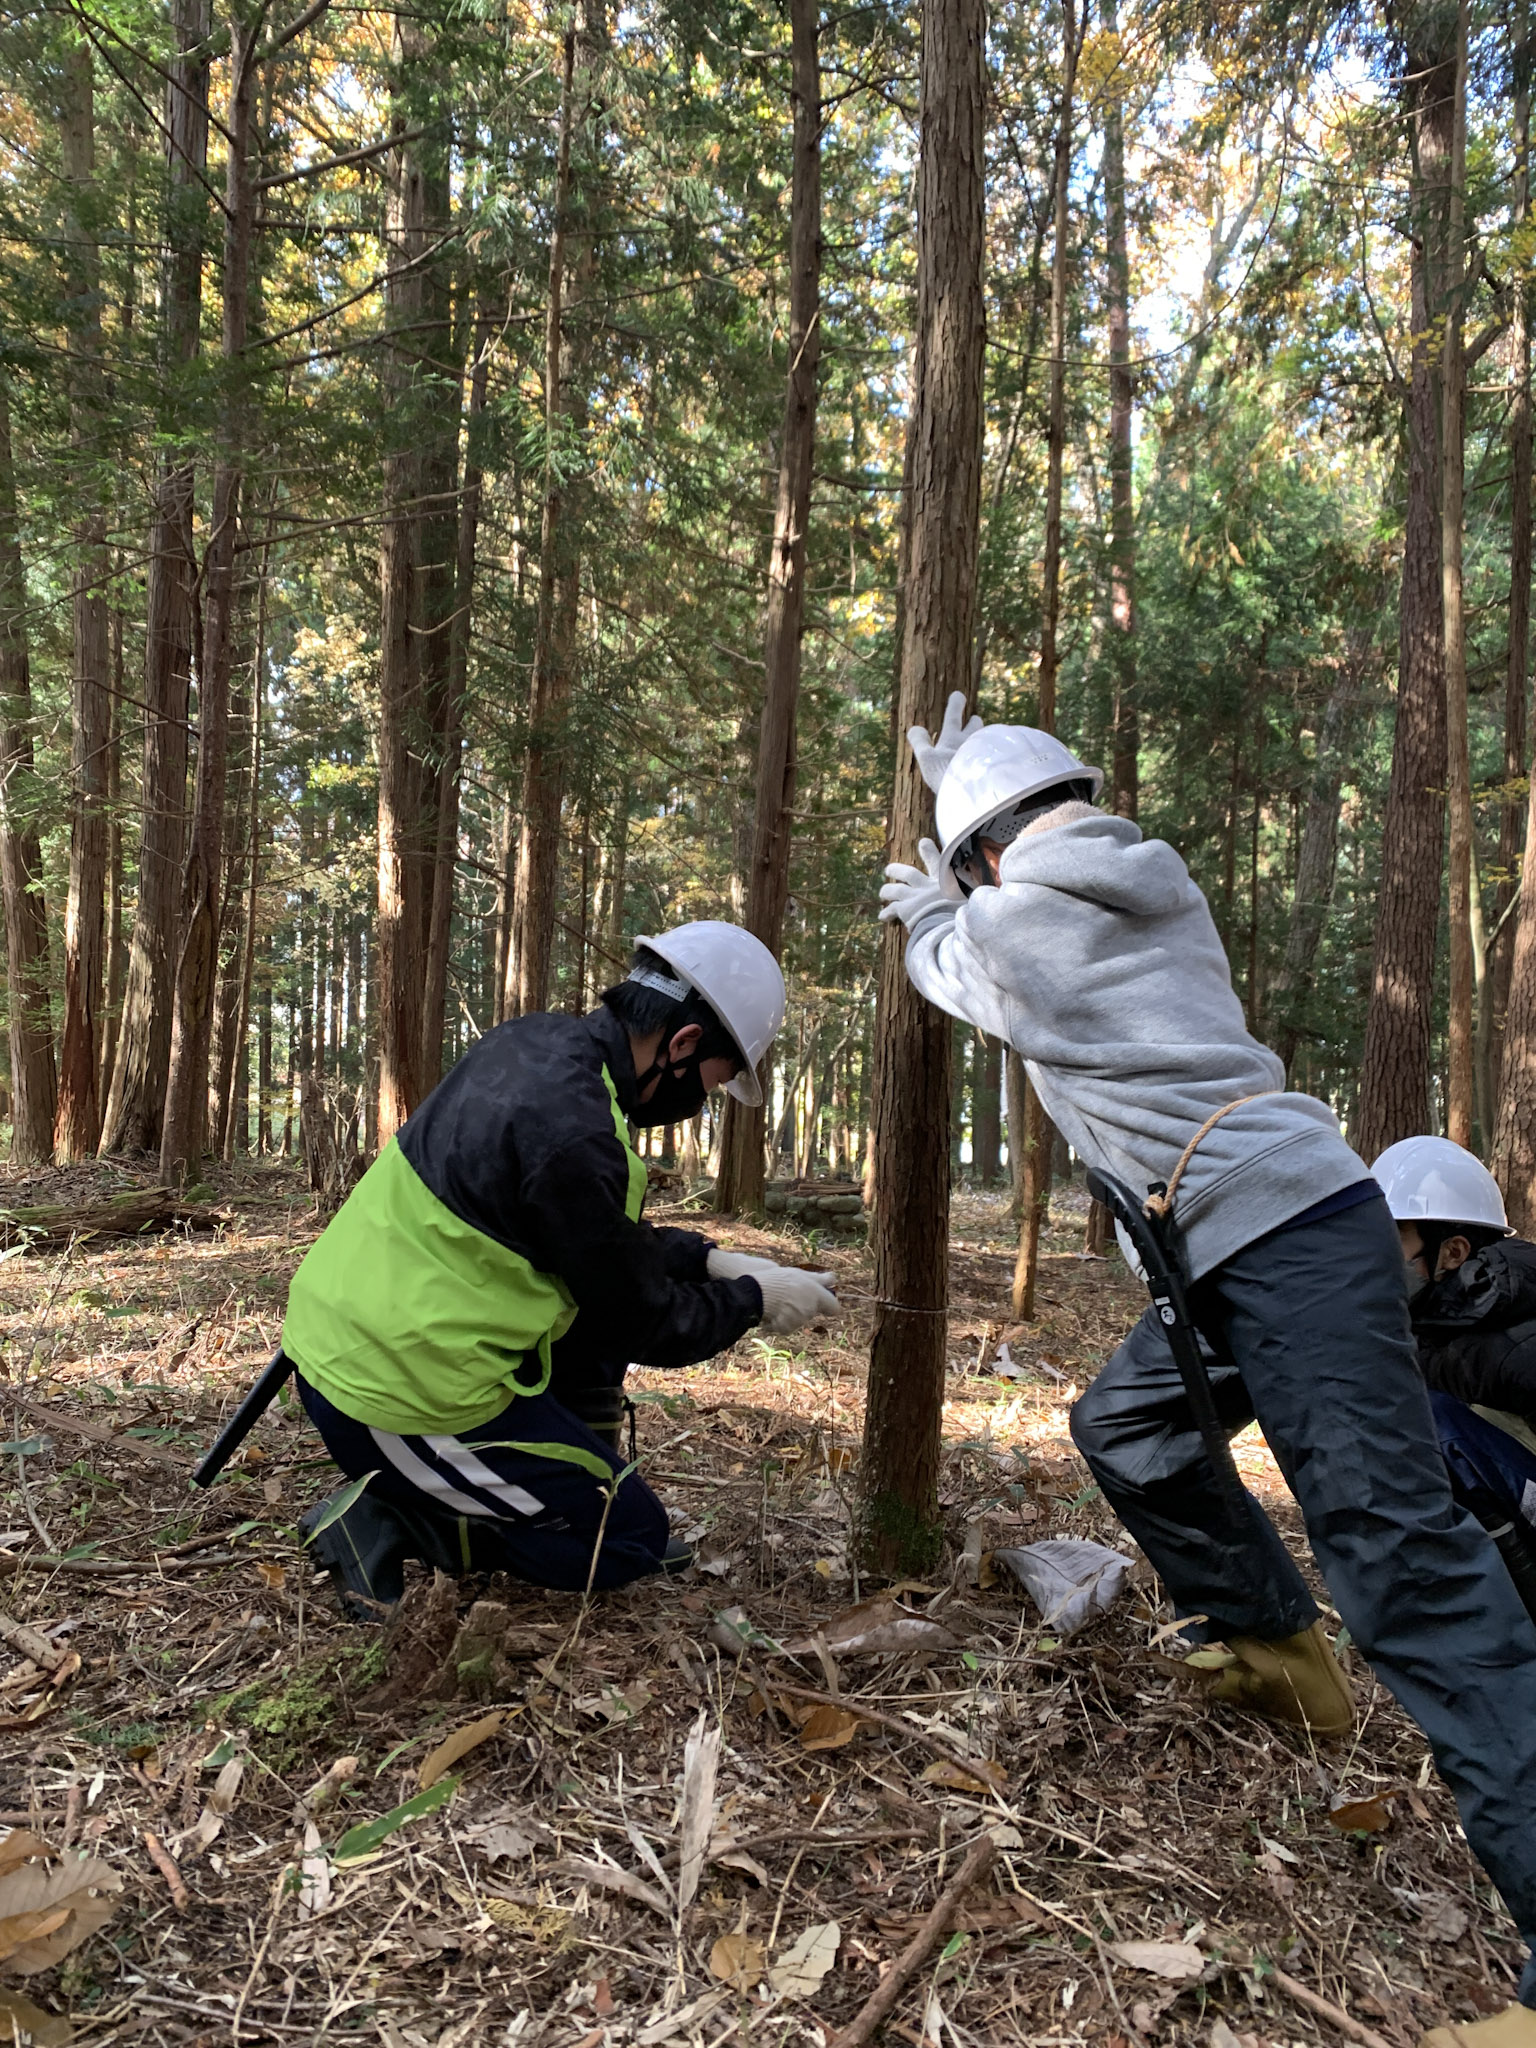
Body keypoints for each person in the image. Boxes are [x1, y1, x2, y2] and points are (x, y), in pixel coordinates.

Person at [877, 693, 1536, 2042]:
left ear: (987, 851)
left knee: (1405, 1565)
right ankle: (1281, 1647)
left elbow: (961, 971)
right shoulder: (1131, 873)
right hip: (1243, 1243)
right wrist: (964, 835)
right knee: (1131, 1426)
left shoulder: (1029, 915)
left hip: (1284, 1236)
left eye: (968, 860)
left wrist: (937, 906)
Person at [283, 922, 840, 1614]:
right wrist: (753, 1301)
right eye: (713, 1082)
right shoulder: (577, 1133)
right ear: (684, 1044)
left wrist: (709, 1259)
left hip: (361, 1332)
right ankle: (389, 1519)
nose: (701, 1102)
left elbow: (594, 1242)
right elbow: (646, 1320)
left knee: (590, 1353)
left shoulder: (537, 1046)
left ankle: (556, 1483)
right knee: (627, 1539)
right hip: (391, 1396)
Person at [1373, 1135, 1536, 1623]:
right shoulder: (1449, 1310)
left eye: (1392, 1240)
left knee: (1432, 1423)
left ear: (1454, 1251)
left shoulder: (1513, 1334)